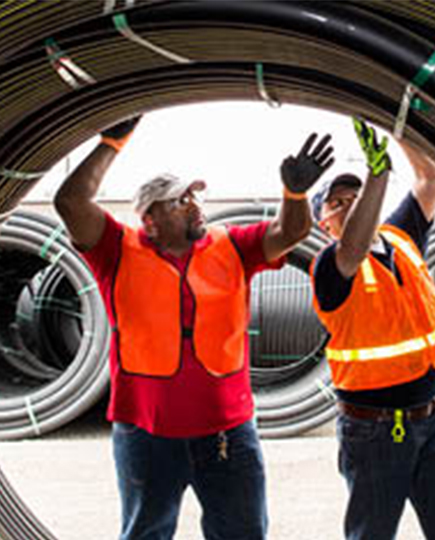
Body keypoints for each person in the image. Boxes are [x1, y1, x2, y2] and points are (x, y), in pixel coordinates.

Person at [53, 115, 334, 540]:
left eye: (194, 196)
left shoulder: (232, 246)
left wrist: (295, 193)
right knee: (146, 532)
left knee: (242, 533)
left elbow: (290, 230)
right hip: (146, 432)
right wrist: (112, 141)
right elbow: (71, 201)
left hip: (227, 431)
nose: (195, 204)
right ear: (150, 219)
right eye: (180, 200)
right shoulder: (116, 250)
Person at [309, 118, 435, 540]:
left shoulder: (401, 237)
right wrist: (375, 177)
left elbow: (432, 178)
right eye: (337, 203)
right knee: (372, 533)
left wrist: (394, 119)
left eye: (354, 195)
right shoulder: (330, 266)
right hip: (375, 429)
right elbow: (355, 246)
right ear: (323, 223)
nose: (348, 203)